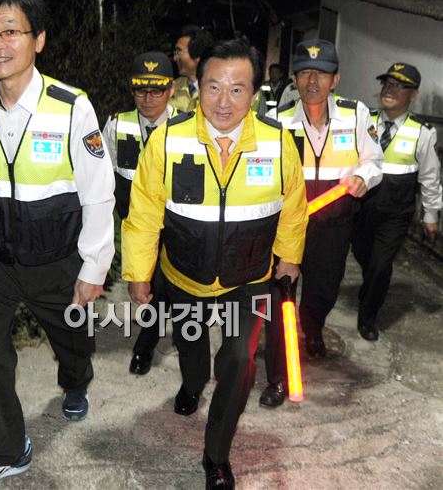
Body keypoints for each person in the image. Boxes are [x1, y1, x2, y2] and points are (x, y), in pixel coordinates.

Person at [0, 0, 115, 490]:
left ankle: (76, 380)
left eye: (11, 32)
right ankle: (7, 449)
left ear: (37, 39)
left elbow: (98, 194)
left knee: (74, 341)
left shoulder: (71, 107)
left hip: (58, 256)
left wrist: (93, 267)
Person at [122, 37, 308, 488]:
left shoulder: (277, 143)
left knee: (239, 362)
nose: (224, 102)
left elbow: (293, 207)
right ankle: (191, 386)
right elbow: (143, 213)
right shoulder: (168, 140)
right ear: (197, 86)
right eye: (214, 87)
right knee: (193, 356)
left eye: (237, 89)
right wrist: (139, 273)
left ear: (254, 93)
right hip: (184, 276)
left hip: (249, 279)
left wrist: (289, 258)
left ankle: (217, 455)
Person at [260, 39, 383, 407]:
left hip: (334, 223)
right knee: (281, 295)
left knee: (323, 290)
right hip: (289, 226)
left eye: (322, 73)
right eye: (305, 73)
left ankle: (312, 328)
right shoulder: (278, 122)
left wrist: (364, 177)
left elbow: (374, 160)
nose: (312, 81)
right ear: (294, 78)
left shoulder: (356, 115)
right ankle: (279, 375)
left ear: (336, 79)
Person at [351, 63, 442, 341]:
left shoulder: (422, 132)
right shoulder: (364, 121)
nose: (390, 89)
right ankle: (371, 286)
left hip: (395, 212)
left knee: (380, 265)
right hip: (362, 207)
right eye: (388, 83)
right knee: (364, 257)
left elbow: (430, 177)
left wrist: (430, 216)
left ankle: (368, 316)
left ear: (414, 94)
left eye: (400, 85)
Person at [103, 51, 176, 375]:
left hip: (174, 225)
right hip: (134, 226)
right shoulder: (117, 124)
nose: (148, 98)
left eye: (156, 90)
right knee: (149, 287)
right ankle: (150, 342)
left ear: (171, 89)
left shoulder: (185, 126)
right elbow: (103, 175)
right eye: (140, 90)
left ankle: (145, 347)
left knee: (162, 287)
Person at [170, 24, 214, 112]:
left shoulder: (217, 89)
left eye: (179, 52)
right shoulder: (172, 88)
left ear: (197, 55)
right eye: (175, 52)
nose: (175, 58)